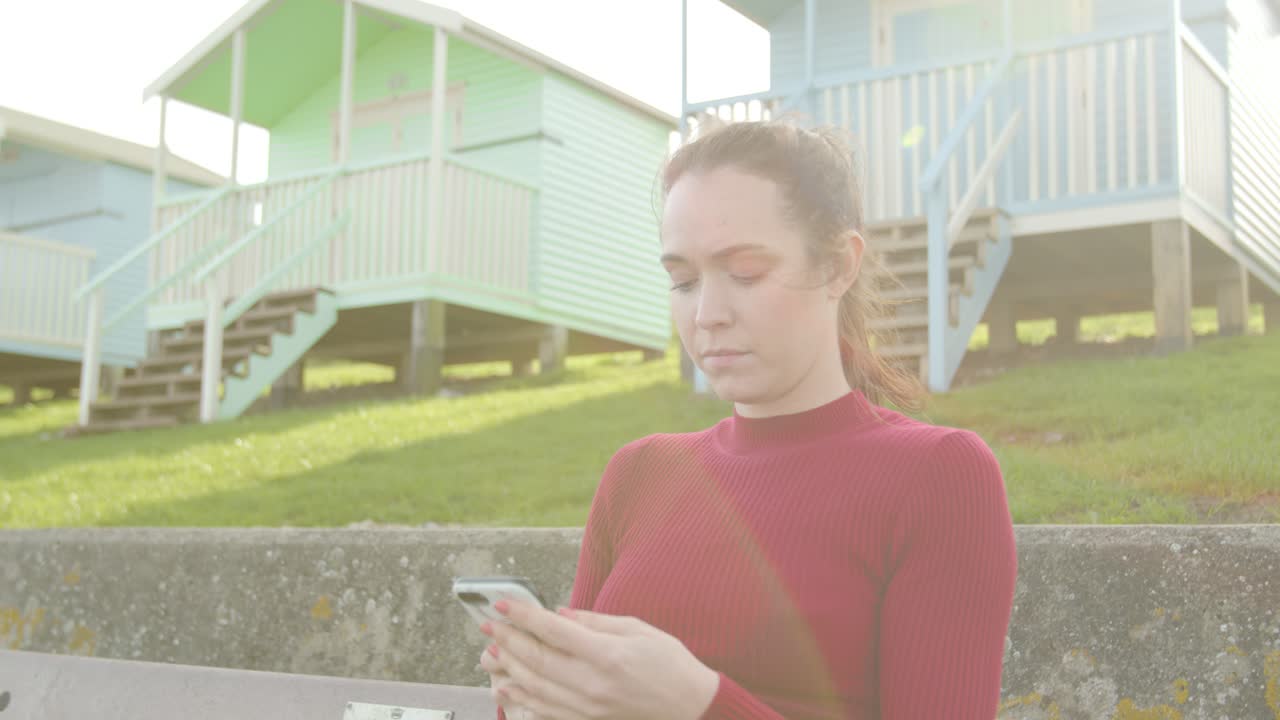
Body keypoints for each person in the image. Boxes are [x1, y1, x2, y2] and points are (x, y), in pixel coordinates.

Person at [478, 120, 1018, 719]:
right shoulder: (637, 474)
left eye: (745, 273)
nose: (706, 314)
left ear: (839, 265)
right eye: (683, 281)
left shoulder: (938, 475)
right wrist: (534, 696)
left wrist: (697, 704)